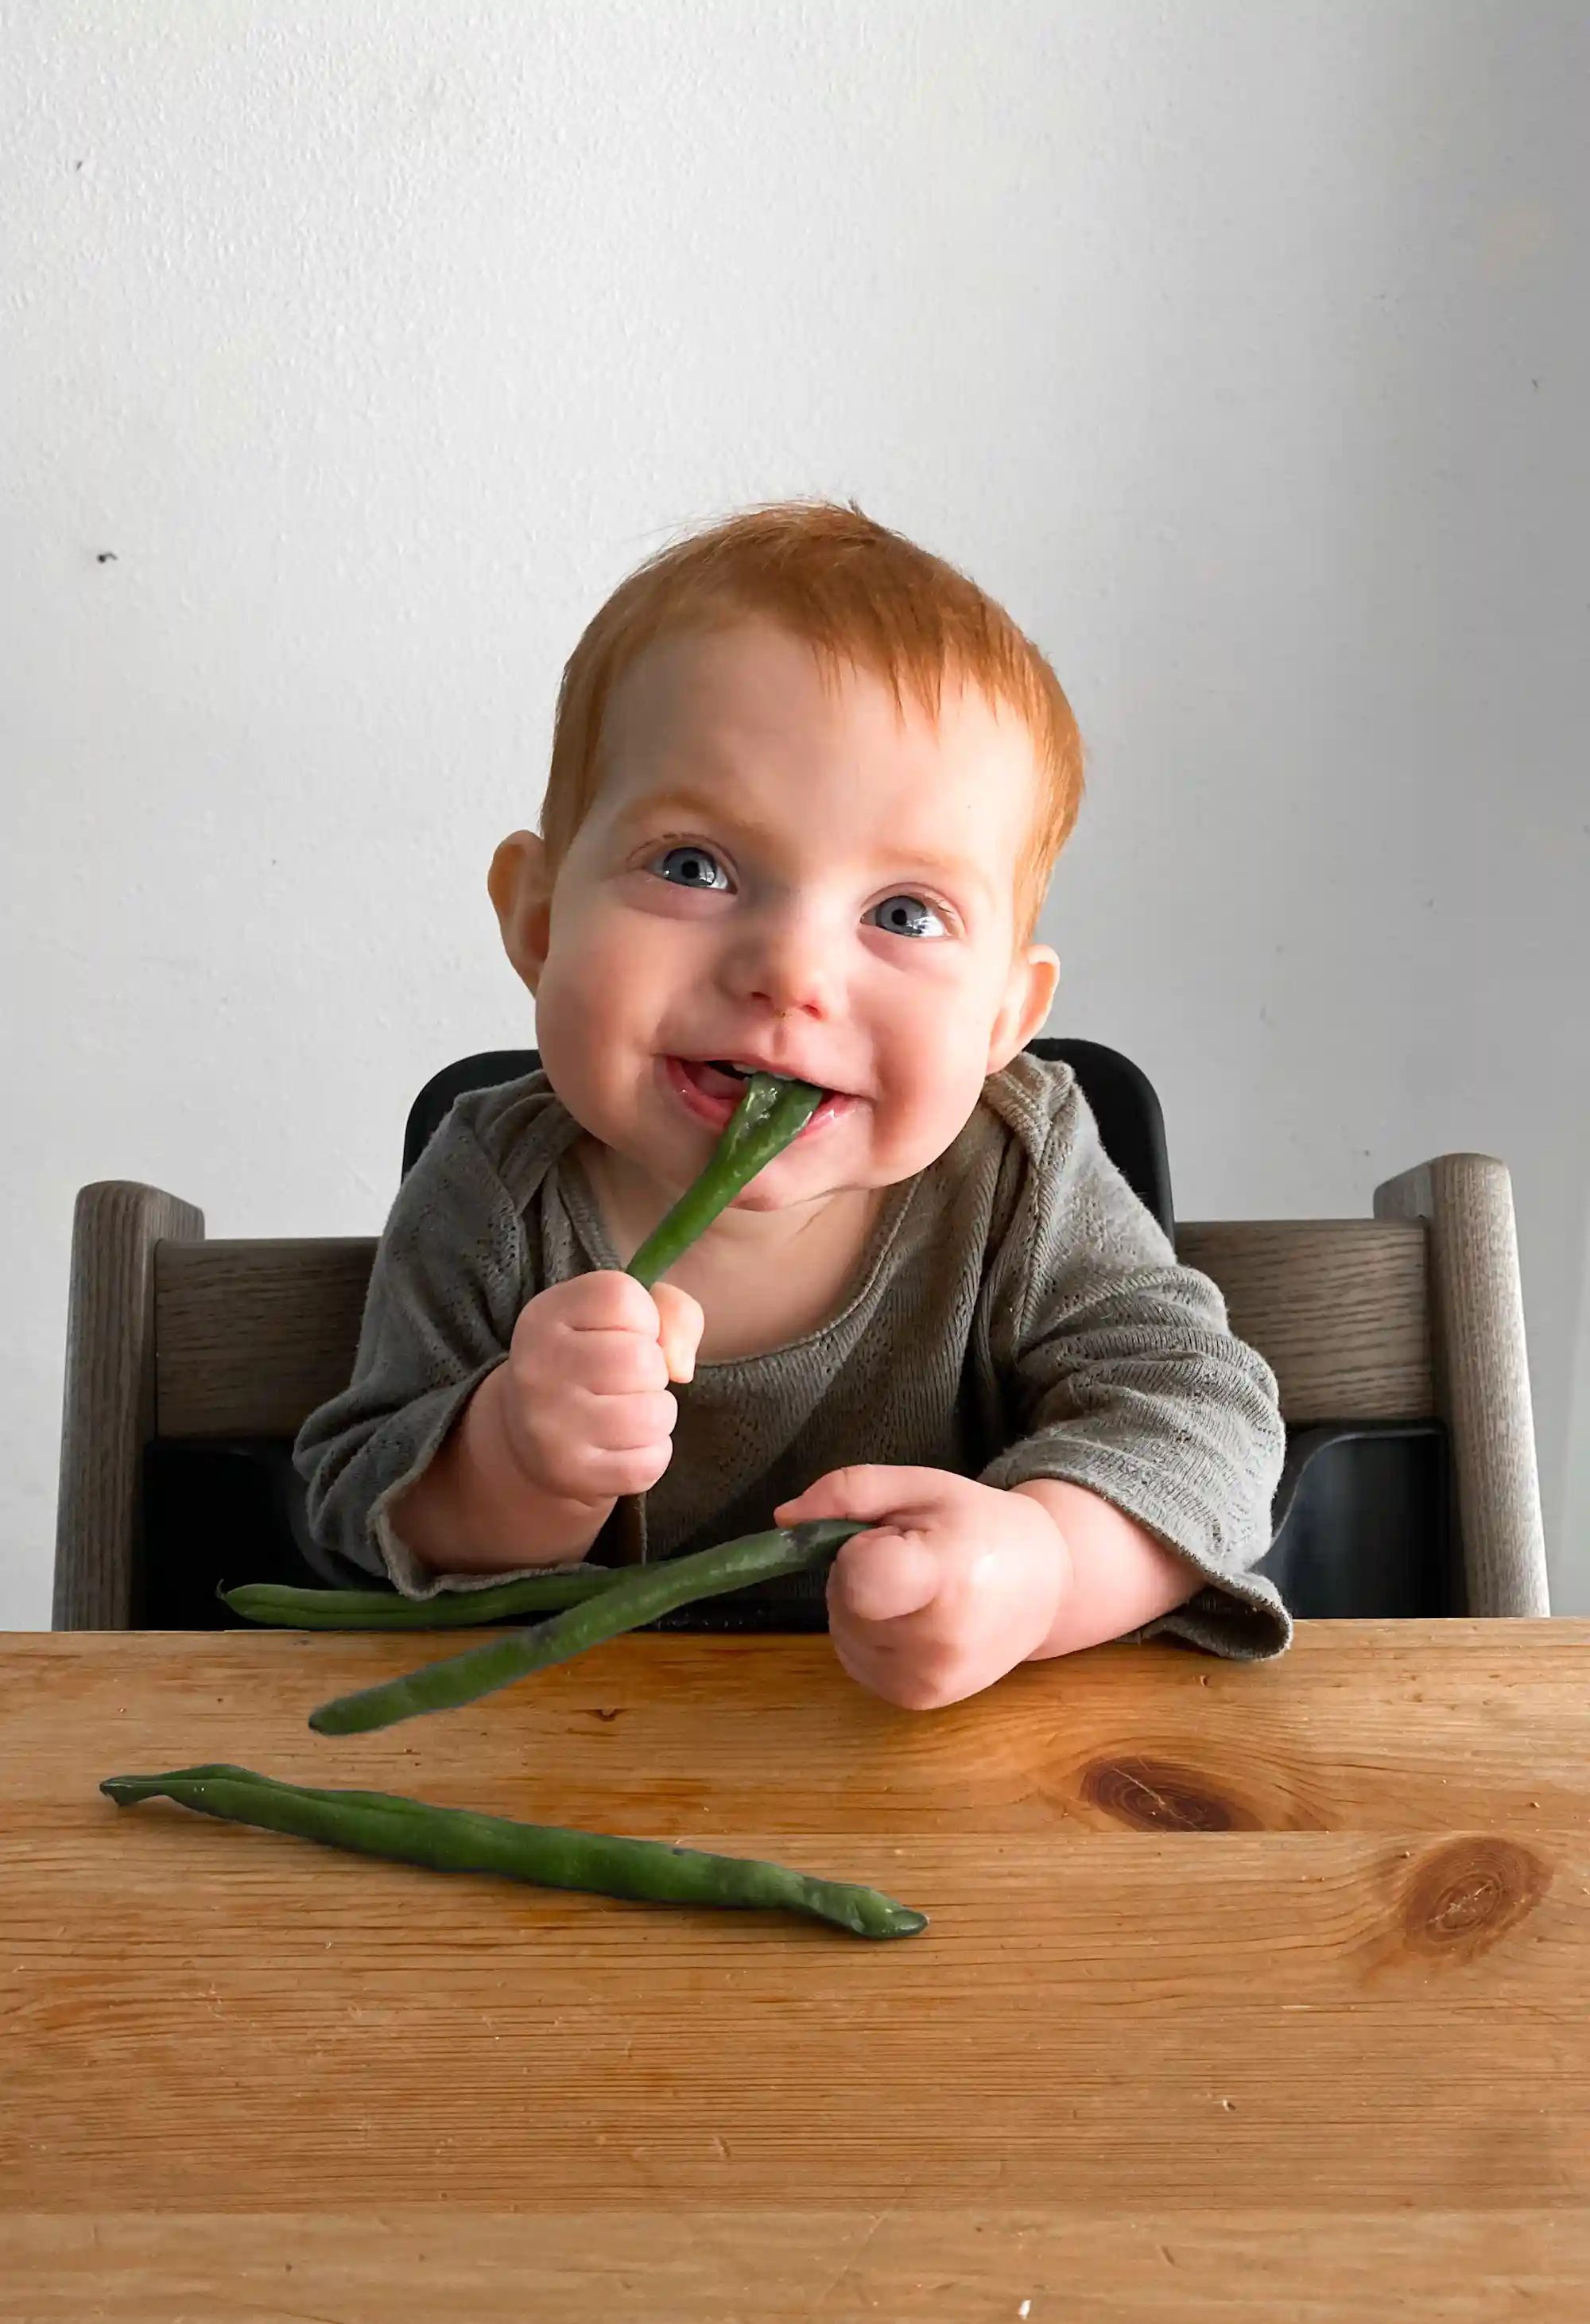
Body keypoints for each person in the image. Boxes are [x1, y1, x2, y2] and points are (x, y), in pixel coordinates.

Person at [294, 502, 1289, 1708]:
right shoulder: (498, 1189)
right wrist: (511, 1460)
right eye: (694, 867)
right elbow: (356, 1507)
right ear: (540, 920)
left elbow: (1207, 1422)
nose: (792, 973)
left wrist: (1045, 1565)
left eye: (906, 914)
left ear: (999, 1023)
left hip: (971, 1792)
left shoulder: (1020, 1176)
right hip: (566, 1769)